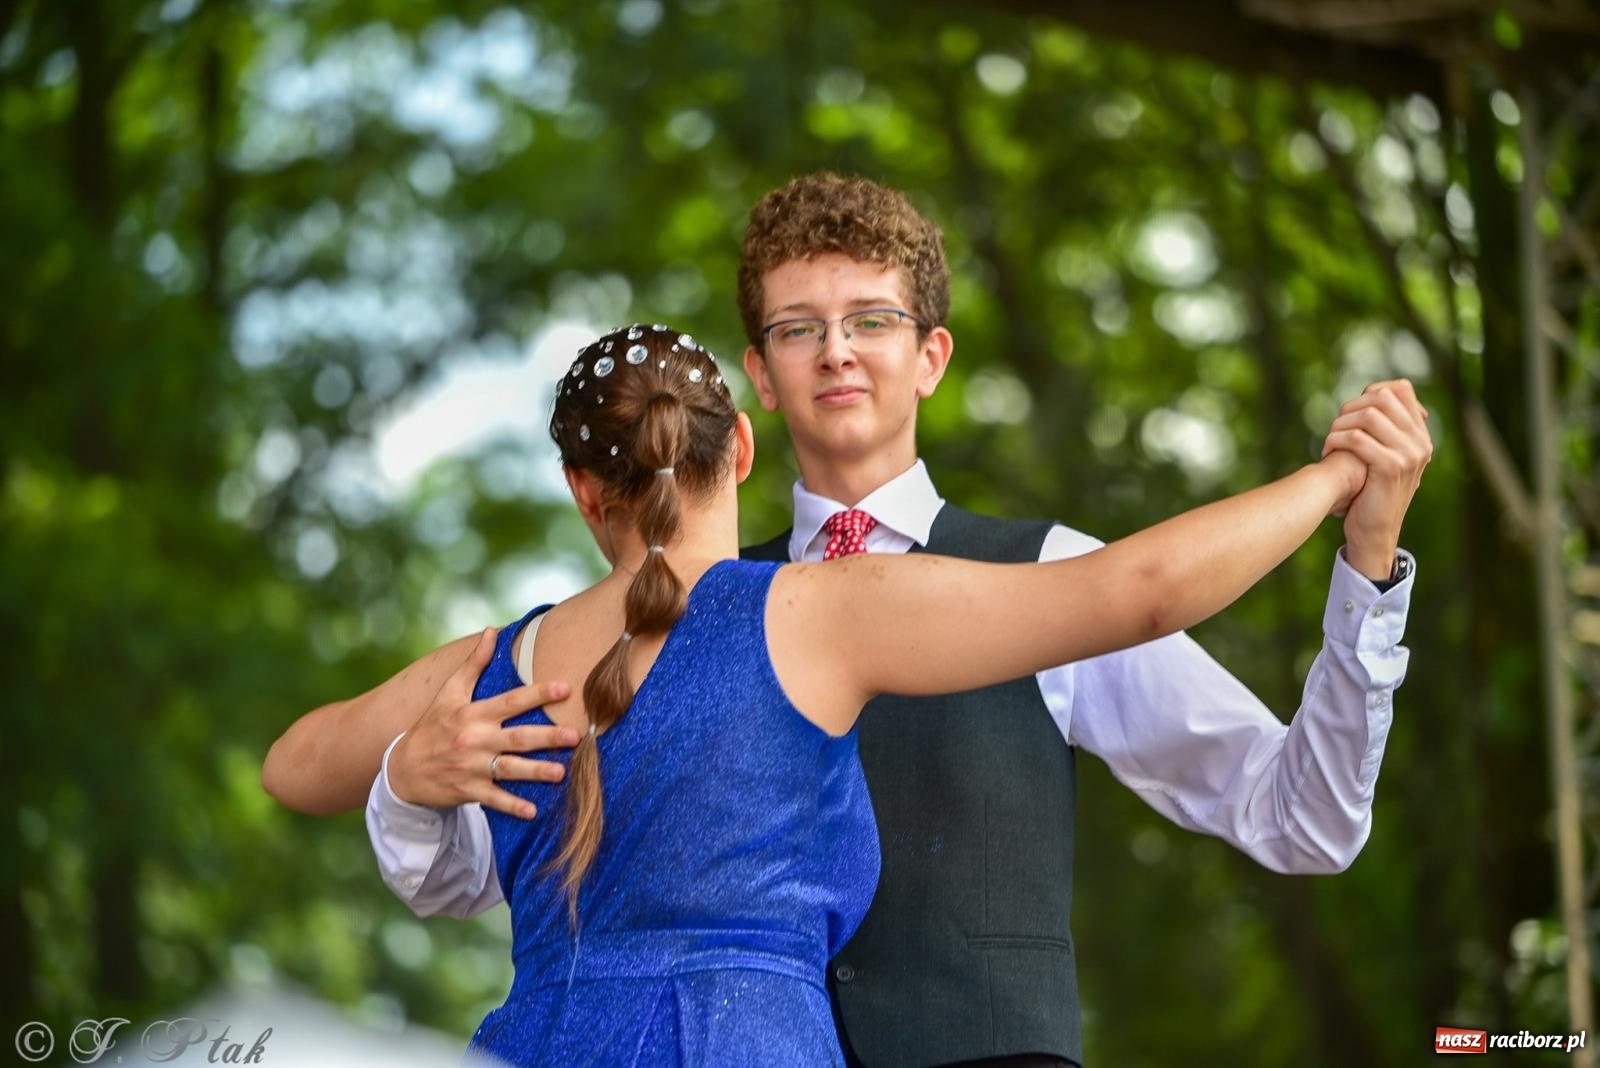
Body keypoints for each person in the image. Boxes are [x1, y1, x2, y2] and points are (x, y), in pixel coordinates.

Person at [263, 174, 1430, 1066]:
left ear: (930, 356)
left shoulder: (1046, 569)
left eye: (870, 320)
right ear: (754, 388)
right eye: (794, 327)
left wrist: (1364, 566)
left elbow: (1303, 822)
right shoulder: (689, 607)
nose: (834, 350)